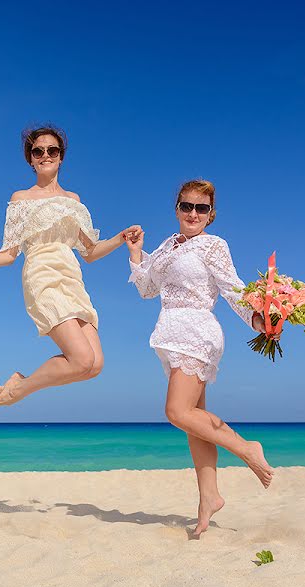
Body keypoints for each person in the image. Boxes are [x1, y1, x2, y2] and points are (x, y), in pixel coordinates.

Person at [0, 126, 140, 408]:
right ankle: (20, 390)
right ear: (31, 159)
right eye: (39, 151)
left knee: (94, 365)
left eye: (52, 150)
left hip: (72, 276)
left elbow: (90, 252)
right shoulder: (21, 199)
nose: (46, 155)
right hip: (42, 275)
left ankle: (19, 385)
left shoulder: (74, 201)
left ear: (61, 157)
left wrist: (120, 239)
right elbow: (8, 254)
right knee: (81, 358)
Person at [125, 179, 274, 537]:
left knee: (177, 412)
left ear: (211, 215)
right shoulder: (166, 246)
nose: (193, 213)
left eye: (201, 208)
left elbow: (234, 288)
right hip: (170, 332)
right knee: (195, 421)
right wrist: (136, 252)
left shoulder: (213, 246)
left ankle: (246, 447)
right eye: (187, 206)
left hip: (197, 331)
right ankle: (209, 496)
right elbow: (147, 290)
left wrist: (259, 319)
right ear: (177, 209)